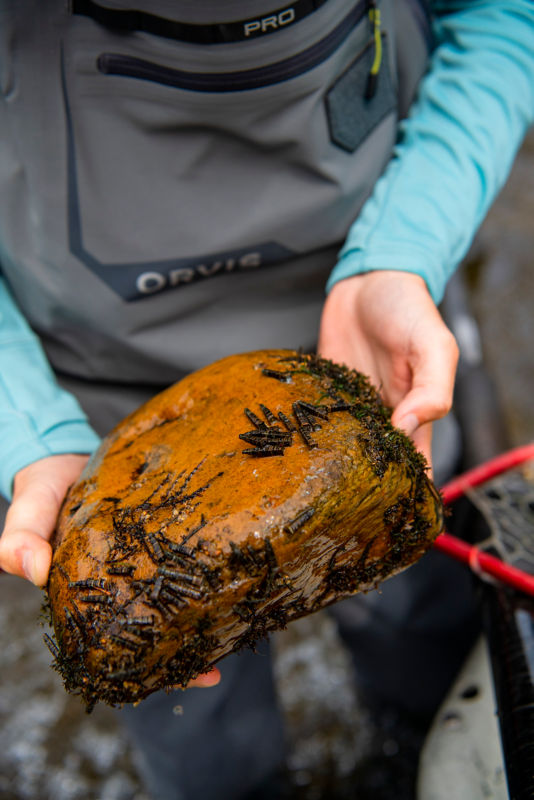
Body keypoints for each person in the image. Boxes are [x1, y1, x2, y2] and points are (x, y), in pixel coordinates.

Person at [0, 0, 533, 797]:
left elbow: (502, 12)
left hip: (376, 331)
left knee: (420, 610)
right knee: (179, 694)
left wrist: (407, 245)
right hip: (85, 381)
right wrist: (26, 423)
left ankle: (425, 744)